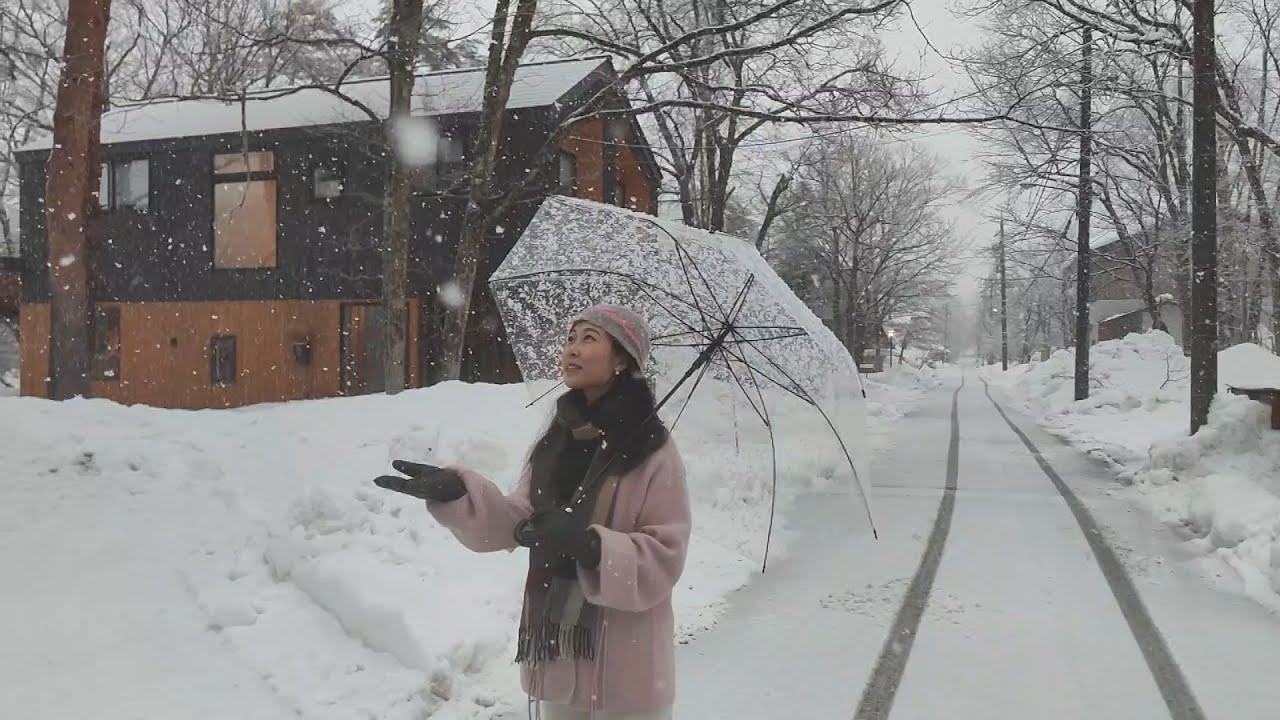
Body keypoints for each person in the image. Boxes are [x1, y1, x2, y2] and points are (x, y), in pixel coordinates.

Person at [375, 304, 690, 720]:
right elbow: (518, 518)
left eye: (589, 339)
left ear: (621, 361)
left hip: (625, 666)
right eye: (570, 338)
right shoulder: (558, 440)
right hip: (558, 654)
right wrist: (458, 493)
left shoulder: (653, 450)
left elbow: (666, 555)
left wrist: (591, 547)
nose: (571, 349)